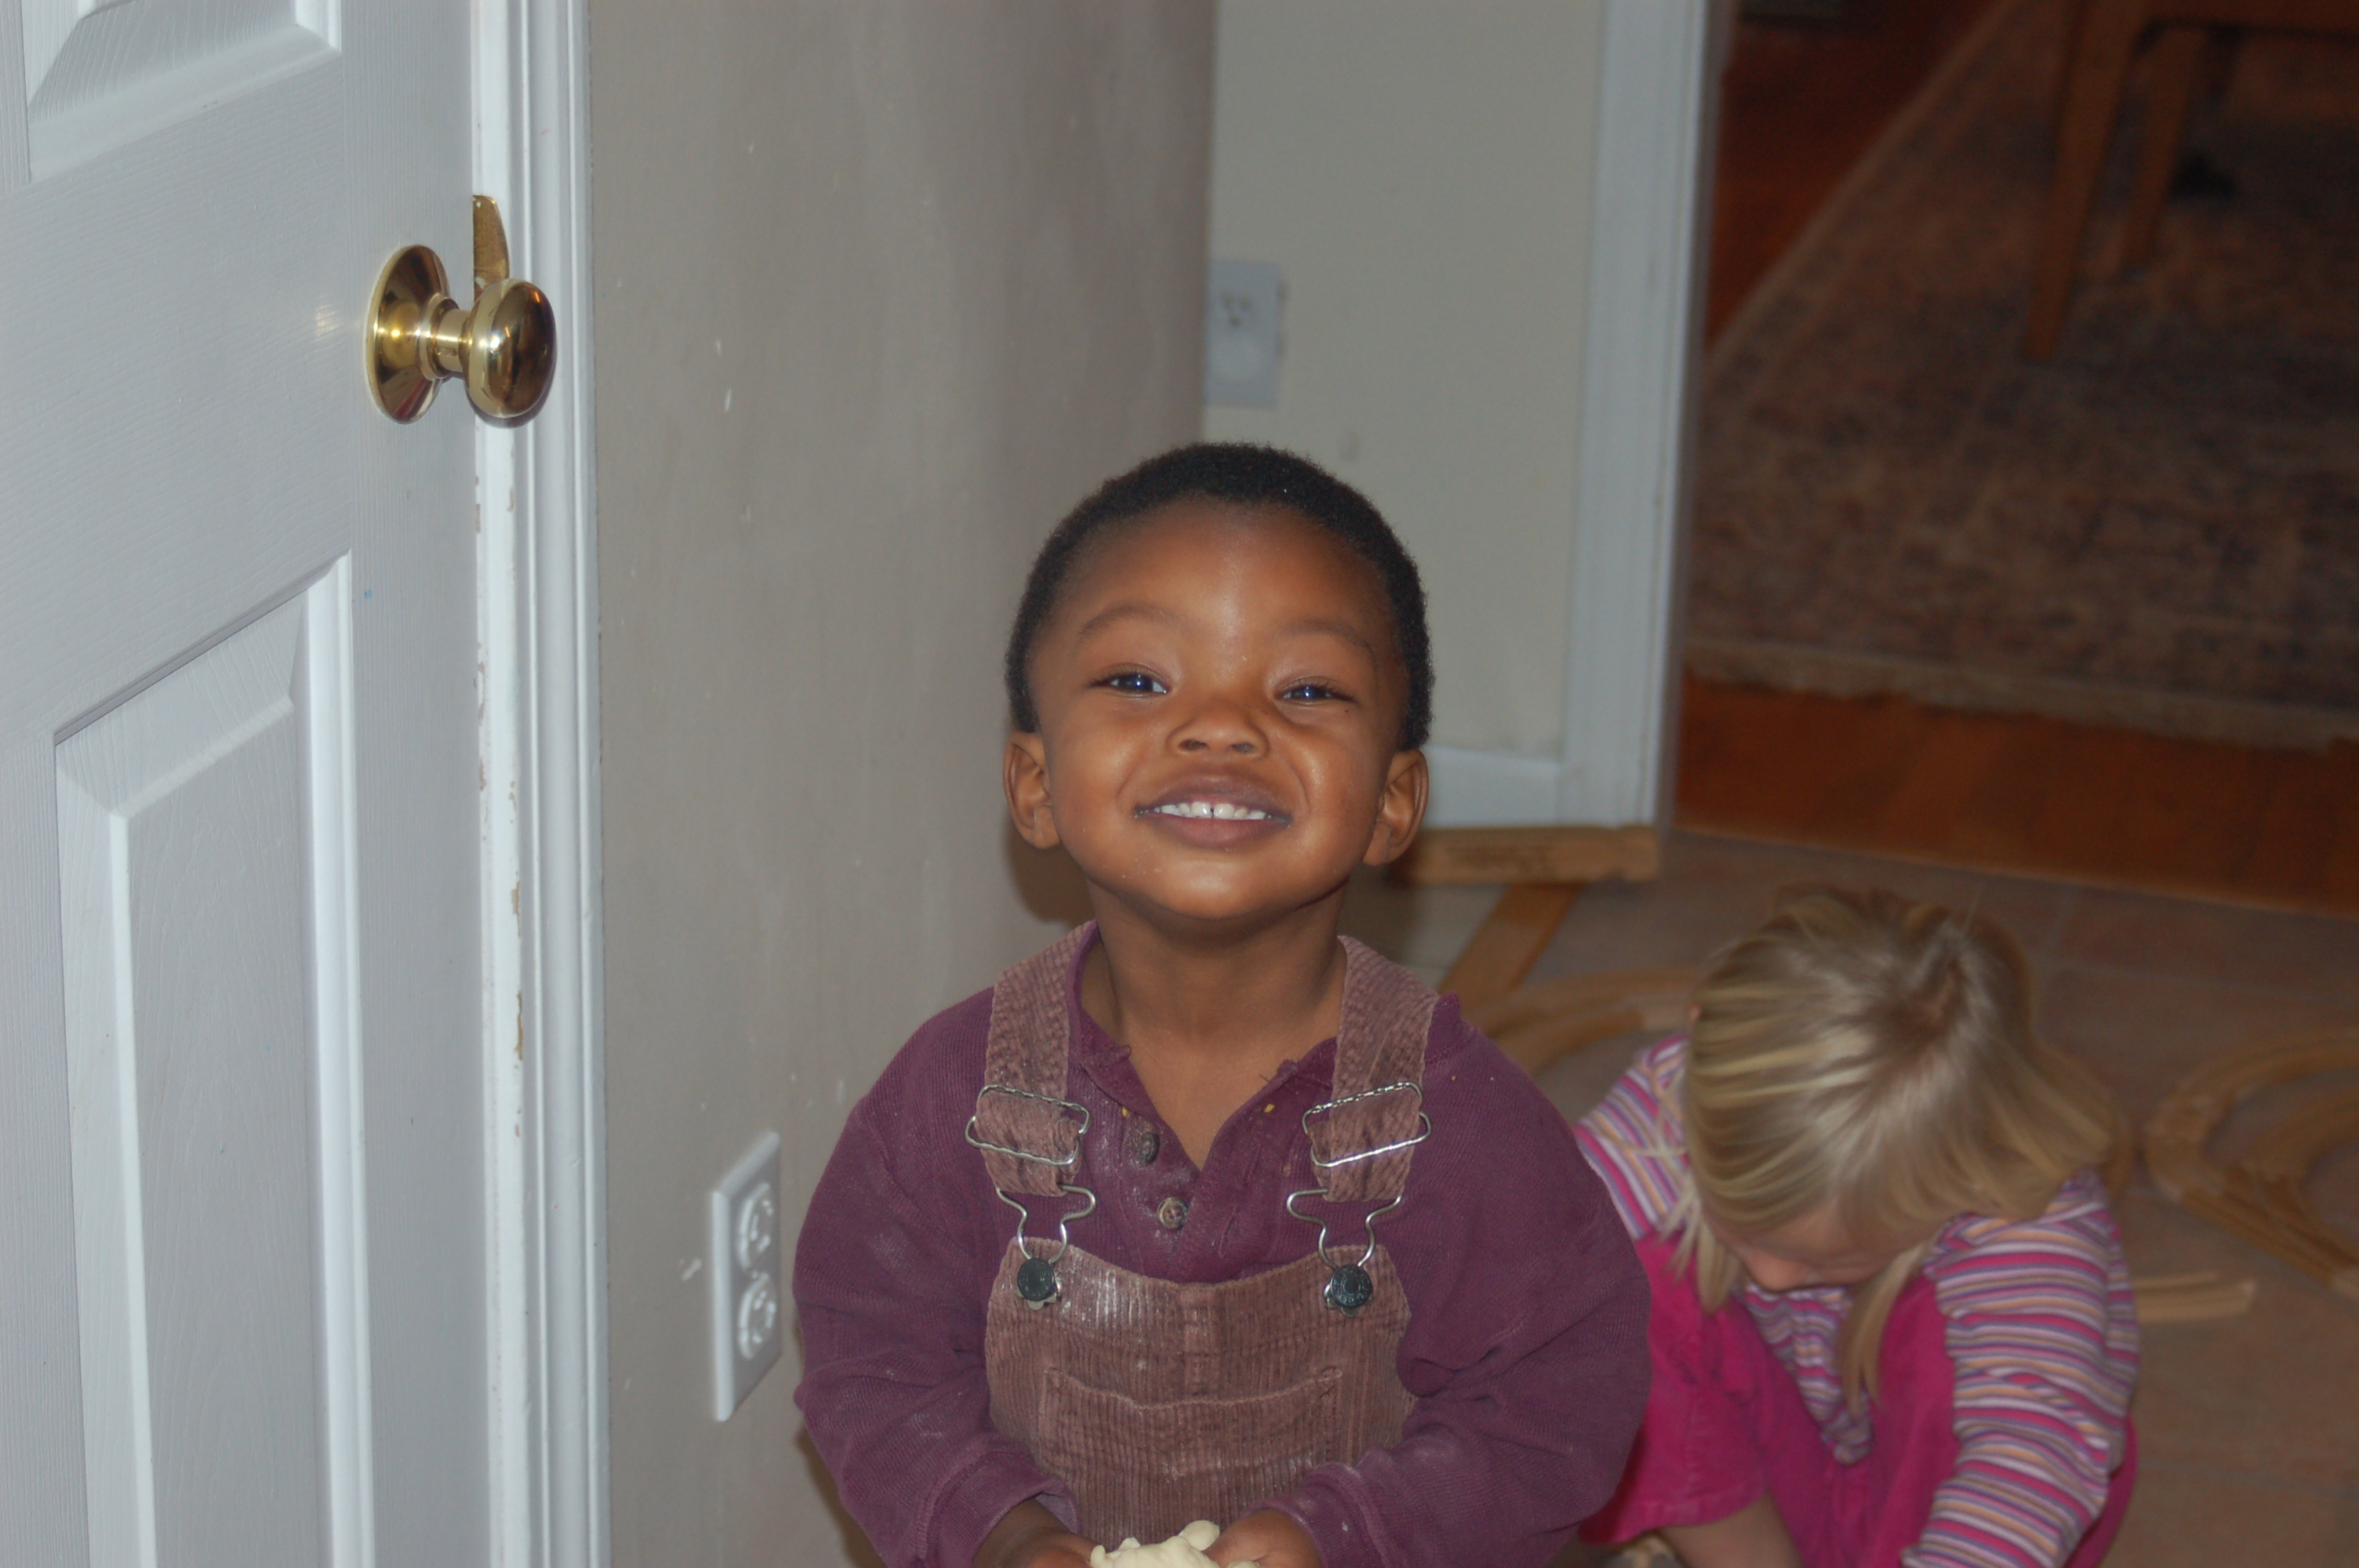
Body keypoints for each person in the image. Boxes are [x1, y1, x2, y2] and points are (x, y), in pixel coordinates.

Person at [794, 444, 1648, 1568]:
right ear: (1035, 784)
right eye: (1139, 680)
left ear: (1394, 803)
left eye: (1306, 691)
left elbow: (1556, 1401)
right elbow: (871, 1366)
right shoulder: (953, 1099)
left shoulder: (1460, 1119)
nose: (1222, 726)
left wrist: (1346, 1535)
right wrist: (1001, 1537)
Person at [1575, 886, 2139, 1568]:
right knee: (1613, 1283)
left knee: (1943, 1357)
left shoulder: (2027, 1225)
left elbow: (2031, 1457)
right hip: (1794, 1467)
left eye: (1831, 1260)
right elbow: (1534, 1252)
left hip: (1967, 1515)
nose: (1772, 1276)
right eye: (1747, 1229)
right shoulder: (1691, 1093)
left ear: (1956, 1179)